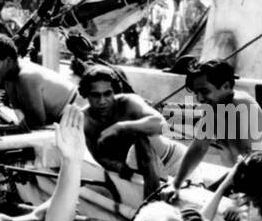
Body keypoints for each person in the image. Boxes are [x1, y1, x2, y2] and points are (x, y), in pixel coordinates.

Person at [164, 59, 262, 197]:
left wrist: (215, 192)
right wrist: (175, 184)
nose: (200, 99)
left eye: (204, 91)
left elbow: (254, 165)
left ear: (226, 86)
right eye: (196, 93)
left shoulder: (243, 106)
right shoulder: (215, 109)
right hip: (245, 178)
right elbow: (199, 148)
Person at [79, 66, 186, 196]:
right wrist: (119, 166)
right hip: (146, 172)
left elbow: (161, 124)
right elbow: (99, 156)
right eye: (95, 95)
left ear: (114, 92)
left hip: (176, 162)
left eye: (107, 94)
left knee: (141, 139)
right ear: (86, 95)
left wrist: (120, 127)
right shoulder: (85, 120)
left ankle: (151, 206)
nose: (102, 101)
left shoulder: (128, 102)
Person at [0, 33, 79, 130]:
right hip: (64, 117)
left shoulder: (26, 78)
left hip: (78, 114)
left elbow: (38, 124)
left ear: (8, 61)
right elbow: (18, 110)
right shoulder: (9, 78)